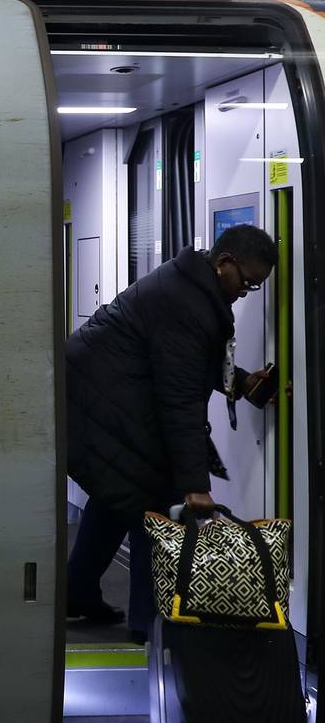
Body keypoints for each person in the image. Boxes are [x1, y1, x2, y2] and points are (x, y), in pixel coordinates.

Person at [65, 224, 279, 643]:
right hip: (97, 405)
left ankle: (78, 591)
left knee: (118, 494)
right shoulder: (185, 301)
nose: (245, 291)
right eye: (248, 283)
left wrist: (241, 382)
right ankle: (151, 625)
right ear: (224, 264)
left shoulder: (190, 285)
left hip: (100, 400)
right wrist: (195, 488)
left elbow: (185, 363)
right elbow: (180, 399)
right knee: (154, 500)